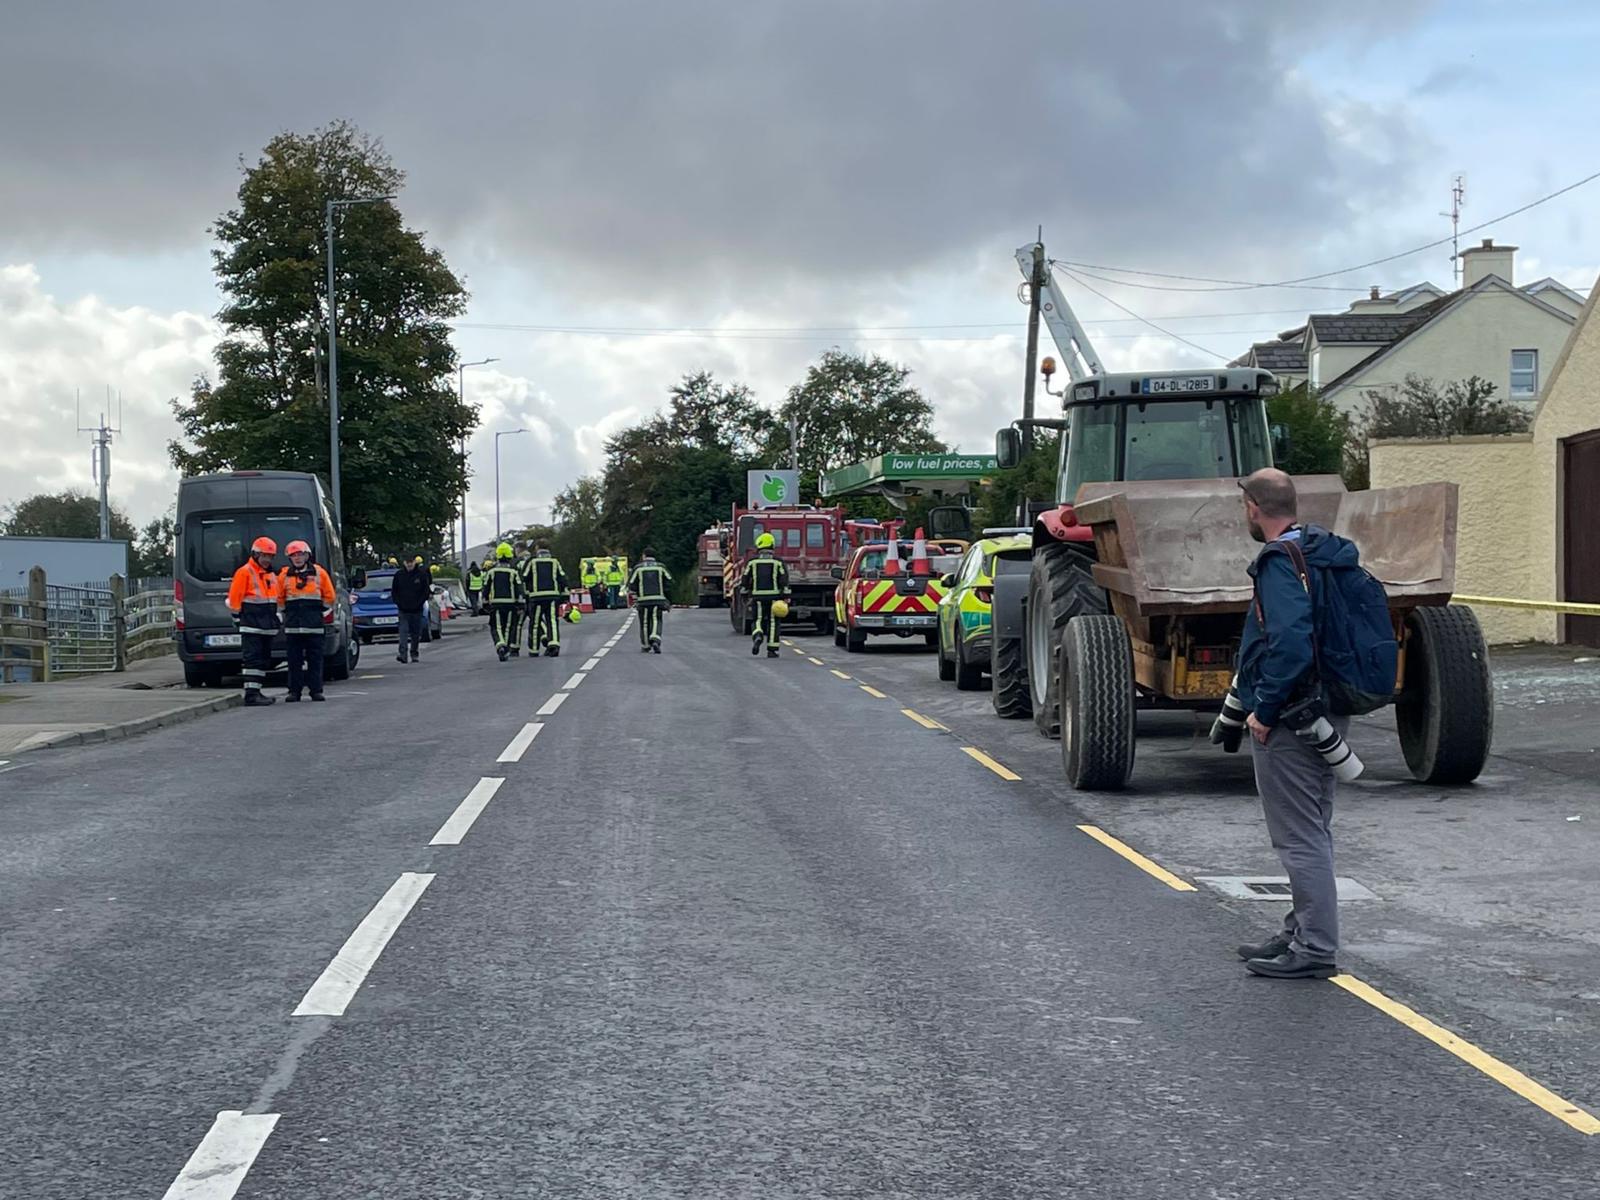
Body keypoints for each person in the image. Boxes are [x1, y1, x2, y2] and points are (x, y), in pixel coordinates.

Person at [1234, 467, 1354, 981]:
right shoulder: (1322, 551)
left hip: (1293, 717)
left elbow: (1289, 642)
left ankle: (1315, 948)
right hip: (1328, 705)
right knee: (1313, 828)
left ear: (1254, 507)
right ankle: (1300, 929)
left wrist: (1264, 710)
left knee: (1299, 837)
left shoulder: (1279, 561)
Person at [226, 536, 284, 706]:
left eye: (270, 556)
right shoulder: (244, 572)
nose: (267, 560)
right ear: (255, 554)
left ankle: (256, 692)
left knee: (262, 660)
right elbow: (235, 598)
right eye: (264, 556)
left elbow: (275, 598)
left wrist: (277, 616)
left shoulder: (271, 575)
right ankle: (251, 695)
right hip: (251, 624)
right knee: (253, 661)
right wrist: (238, 619)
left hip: (266, 625)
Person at [278, 539, 335, 702]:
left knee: (315, 660)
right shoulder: (284, 576)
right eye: (293, 555)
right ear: (289, 558)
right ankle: (294, 691)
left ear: (307, 556)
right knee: (293, 661)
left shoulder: (319, 573)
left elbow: (329, 596)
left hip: (314, 625)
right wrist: (285, 614)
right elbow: (279, 598)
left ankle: (316, 690)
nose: (297, 558)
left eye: (300, 554)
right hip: (293, 626)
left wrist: (321, 613)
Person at [741, 532, 789, 658]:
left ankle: (758, 635)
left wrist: (744, 593)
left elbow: (745, 578)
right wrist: (786, 596)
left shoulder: (752, 562)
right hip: (775, 598)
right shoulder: (778, 562)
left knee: (758, 619)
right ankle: (772, 650)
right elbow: (784, 579)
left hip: (757, 597)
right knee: (773, 622)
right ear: (772, 545)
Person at [524, 543, 570, 657]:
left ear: (537, 549)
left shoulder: (532, 562)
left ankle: (534, 650)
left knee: (535, 623)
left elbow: (524, 577)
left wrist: (526, 594)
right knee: (552, 620)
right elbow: (562, 578)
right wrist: (565, 596)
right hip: (552, 596)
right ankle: (554, 644)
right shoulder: (555, 562)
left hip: (536, 597)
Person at [483, 542, 524, 661]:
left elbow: (485, 589)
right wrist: (520, 605)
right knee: (509, 627)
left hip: (496, 604)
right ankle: (505, 648)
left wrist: (485, 603)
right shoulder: (513, 573)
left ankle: (500, 644)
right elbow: (519, 589)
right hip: (511, 604)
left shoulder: (491, 572)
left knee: (496, 627)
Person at [629, 548, 673, 653]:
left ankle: (646, 645)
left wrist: (638, 592)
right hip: (658, 599)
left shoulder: (638, 568)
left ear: (644, 556)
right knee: (656, 619)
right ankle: (655, 639)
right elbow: (670, 581)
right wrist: (665, 595)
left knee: (644, 622)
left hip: (643, 600)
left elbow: (631, 584)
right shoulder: (661, 567)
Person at [390, 555, 433, 663]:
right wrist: (399, 604)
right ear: (404, 563)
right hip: (403, 610)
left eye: (411, 562)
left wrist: (419, 603)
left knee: (415, 633)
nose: (409, 564)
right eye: (407, 562)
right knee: (403, 633)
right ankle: (403, 655)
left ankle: (414, 653)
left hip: (417, 610)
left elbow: (426, 591)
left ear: (414, 562)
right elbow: (394, 591)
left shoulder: (421, 575)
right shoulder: (399, 575)